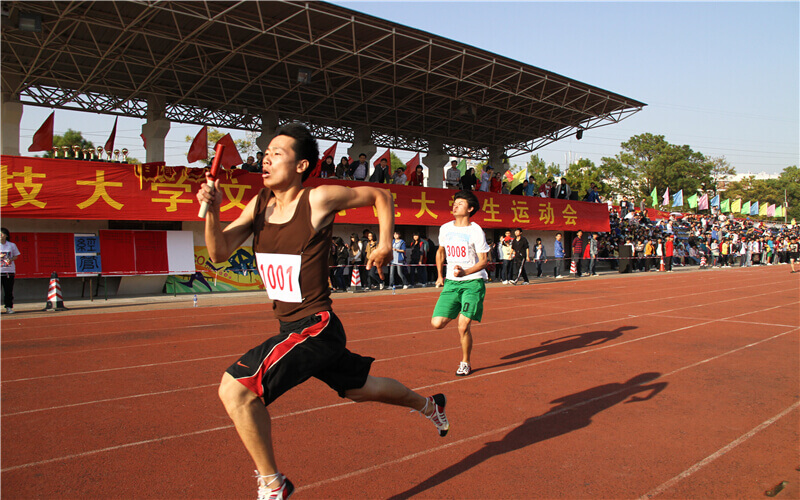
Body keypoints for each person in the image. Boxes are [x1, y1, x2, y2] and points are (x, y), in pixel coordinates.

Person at [196, 123, 448, 500]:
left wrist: (382, 245)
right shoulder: (260, 204)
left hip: (316, 325)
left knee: (236, 390)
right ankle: (430, 405)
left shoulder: (317, 199)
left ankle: (272, 484)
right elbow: (218, 253)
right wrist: (212, 213)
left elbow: (381, 195)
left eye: (278, 153)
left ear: (301, 166)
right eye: (266, 153)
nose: (266, 158)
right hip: (293, 328)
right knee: (362, 389)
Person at [431, 190, 489, 377]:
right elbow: (440, 252)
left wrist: (465, 272)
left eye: (461, 203)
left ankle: (465, 362)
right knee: (437, 324)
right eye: (455, 202)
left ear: (470, 209)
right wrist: (440, 276)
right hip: (451, 284)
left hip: (472, 282)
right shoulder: (445, 228)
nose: (455, 205)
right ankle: (460, 307)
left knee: (463, 326)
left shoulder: (475, 230)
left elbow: (483, 261)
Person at [1, 228, 20, 314]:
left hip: (9, 271)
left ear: (6, 235)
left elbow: (16, 256)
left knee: (8, 291)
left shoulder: (11, 245)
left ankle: (8, 307)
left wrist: (11, 259)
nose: (0, 236)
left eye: (2, 234)